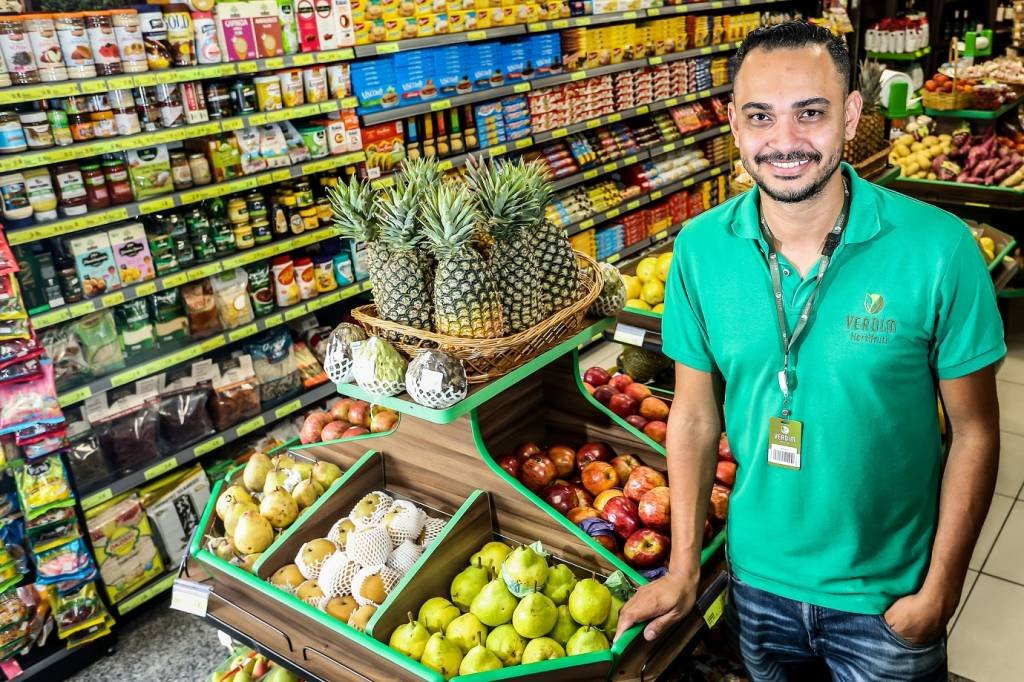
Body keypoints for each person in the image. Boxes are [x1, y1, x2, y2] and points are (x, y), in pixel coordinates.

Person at [613, 21, 1005, 681]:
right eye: (761, 116)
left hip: (887, 597)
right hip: (758, 588)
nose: (785, 142)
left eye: (811, 113)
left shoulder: (938, 249)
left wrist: (939, 590)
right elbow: (694, 415)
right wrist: (683, 568)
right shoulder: (700, 250)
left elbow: (974, 431)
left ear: (851, 115)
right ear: (733, 124)